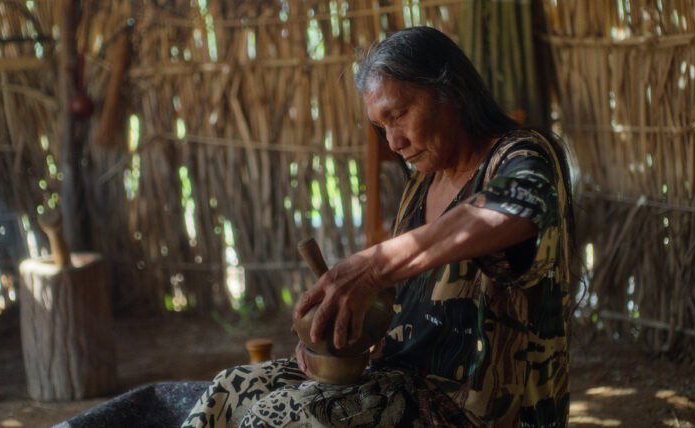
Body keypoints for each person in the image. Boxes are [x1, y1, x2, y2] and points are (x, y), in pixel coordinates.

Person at [182, 26, 573, 428]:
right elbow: (408, 306)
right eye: (381, 126)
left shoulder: (520, 154)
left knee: (276, 419)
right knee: (229, 389)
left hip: (471, 411)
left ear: (451, 90)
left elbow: (518, 206)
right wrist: (336, 339)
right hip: (396, 386)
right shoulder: (424, 182)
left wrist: (374, 266)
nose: (393, 143)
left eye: (398, 115)